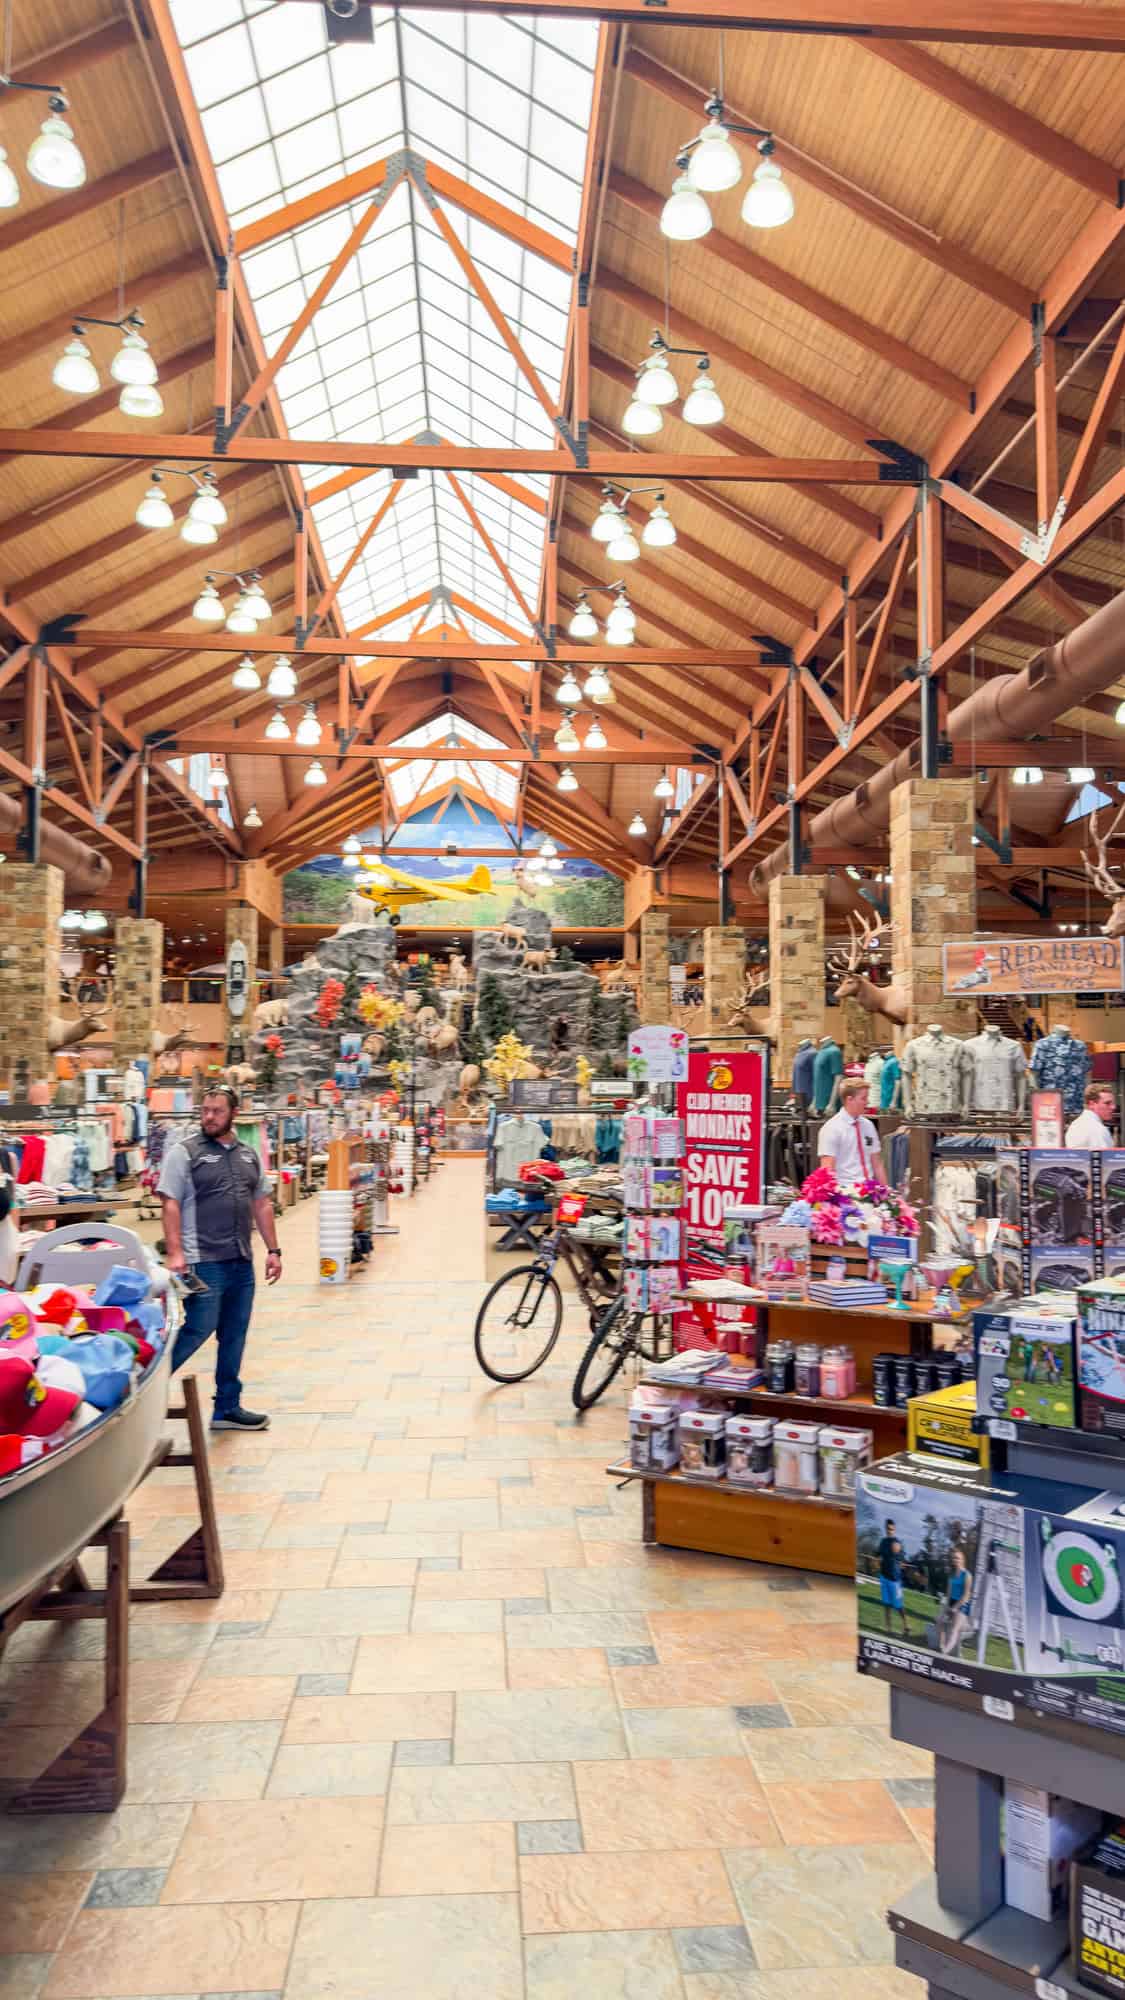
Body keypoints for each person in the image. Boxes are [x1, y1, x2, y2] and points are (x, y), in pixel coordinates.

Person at [158, 1086, 281, 1431]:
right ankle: (143, 1389)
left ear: (233, 1114)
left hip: (241, 1259)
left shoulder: (248, 1155)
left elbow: (262, 1204)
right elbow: (170, 1203)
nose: (209, 1117)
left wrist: (273, 1250)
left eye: (217, 1111)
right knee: (198, 1327)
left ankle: (227, 1407)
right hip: (203, 1259)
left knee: (235, 1333)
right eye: (205, 1110)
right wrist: (176, 1252)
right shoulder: (185, 1153)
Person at [818, 1078, 884, 1184]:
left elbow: (877, 1163)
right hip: (845, 1192)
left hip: (870, 1191)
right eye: (864, 1098)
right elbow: (827, 1169)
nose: (868, 1102)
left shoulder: (868, 1125)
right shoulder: (831, 1129)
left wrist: (886, 1192)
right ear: (850, 1100)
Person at [877, 1517, 909, 1637]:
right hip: (884, 1577)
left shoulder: (897, 1543)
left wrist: (900, 1556)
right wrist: (876, 1560)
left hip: (895, 1580)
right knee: (886, 1605)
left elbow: (903, 1559)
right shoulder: (883, 1542)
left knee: (898, 1606)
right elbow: (878, 1554)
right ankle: (888, 1628)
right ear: (885, 1528)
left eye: (892, 1529)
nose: (890, 1531)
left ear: (894, 1529)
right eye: (888, 1529)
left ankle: (906, 1626)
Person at [939, 1547, 974, 1656]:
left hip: (963, 1604)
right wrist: (946, 1608)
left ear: (962, 1560)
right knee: (939, 1620)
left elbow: (966, 1595)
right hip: (952, 1602)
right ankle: (941, 1645)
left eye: (958, 1558)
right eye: (954, 1558)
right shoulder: (952, 1575)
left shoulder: (967, 1575)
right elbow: (948, 1594)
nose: (956, 1560)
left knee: (955, 1629)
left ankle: (945, 1652)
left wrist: (955, 1608)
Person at [1065, 1082, 1117, 1151]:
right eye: (1107, 1103)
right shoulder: (1097, 1129)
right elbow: (1107, 1159)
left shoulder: (1076, 1124)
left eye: (1113, 1103)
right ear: (1091, 1104)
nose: (1113, 1107)